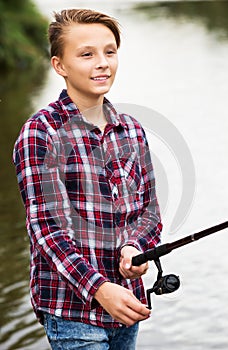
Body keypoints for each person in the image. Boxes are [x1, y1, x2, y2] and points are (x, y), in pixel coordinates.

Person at [13, 9, 162, 350]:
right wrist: (98, 288)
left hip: (127, 306)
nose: (102, 63)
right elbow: (46, 230)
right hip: (72, 313)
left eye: (109, 52)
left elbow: (149, 213)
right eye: (86, 54)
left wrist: (133, 247)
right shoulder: (41, 132)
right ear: (59, 65)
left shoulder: (132, 130)